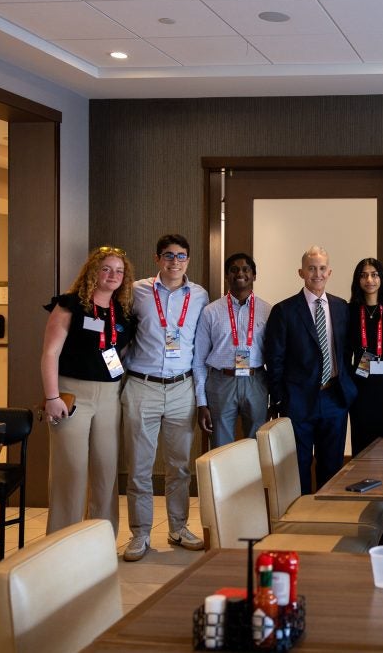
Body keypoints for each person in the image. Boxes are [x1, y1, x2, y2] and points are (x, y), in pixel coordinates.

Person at [122, 234, 209, 561]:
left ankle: (177, 527)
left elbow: (200, 348)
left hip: (181, 388)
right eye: (169, 256)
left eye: (181, 256)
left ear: (188, 260)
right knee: (140, 467)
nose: (175, 262)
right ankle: (140, 533)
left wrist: (201, 397)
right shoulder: (136, 291)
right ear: (157, 258)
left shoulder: (199, 295)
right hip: (142, 385)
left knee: (179, 466)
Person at [40, 246, 134, 535]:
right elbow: (50, 353)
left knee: (106, 472)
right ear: (93, 271)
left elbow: (120, 352)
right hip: (72, 395)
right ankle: (62, 540)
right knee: (71, 471)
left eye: (119, 271)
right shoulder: (70, 305)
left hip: (109, 397)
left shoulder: (124, 311)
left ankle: (101, 539)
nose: (113, 275)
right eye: (106, 268)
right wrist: (52, 397)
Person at [264, 246, 357, 494]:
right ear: (301, 272)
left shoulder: (341, 308)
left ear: (330, 272)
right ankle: (301, 520)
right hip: (298, 400)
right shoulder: (284, 311)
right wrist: (281, 398)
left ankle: (327, 518)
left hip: (333, 398)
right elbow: (274, 359)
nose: (317, 273)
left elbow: (347, 351)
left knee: (332, 465)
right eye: (311, 268)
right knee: (299, 464)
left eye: (322, 268)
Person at [193, 252, 271, 448]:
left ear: (254, 275)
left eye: (246, 269)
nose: (240, 273)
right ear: (227, 275)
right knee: (221, 447)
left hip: (256, 381)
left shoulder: (268, 311)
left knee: (257, 444)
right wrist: (201, 402)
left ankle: (255, 480)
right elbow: (199, 360)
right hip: (221, 382)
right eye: (234, 270)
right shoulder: (210, 311)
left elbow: (274, 354)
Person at [346, 257, 383, 455]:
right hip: (360, 386)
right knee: (362, 443)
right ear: (358, 280)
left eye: (374, 274)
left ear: (382, 278)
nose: (369, 280)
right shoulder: (349, 311)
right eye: (364, 275)